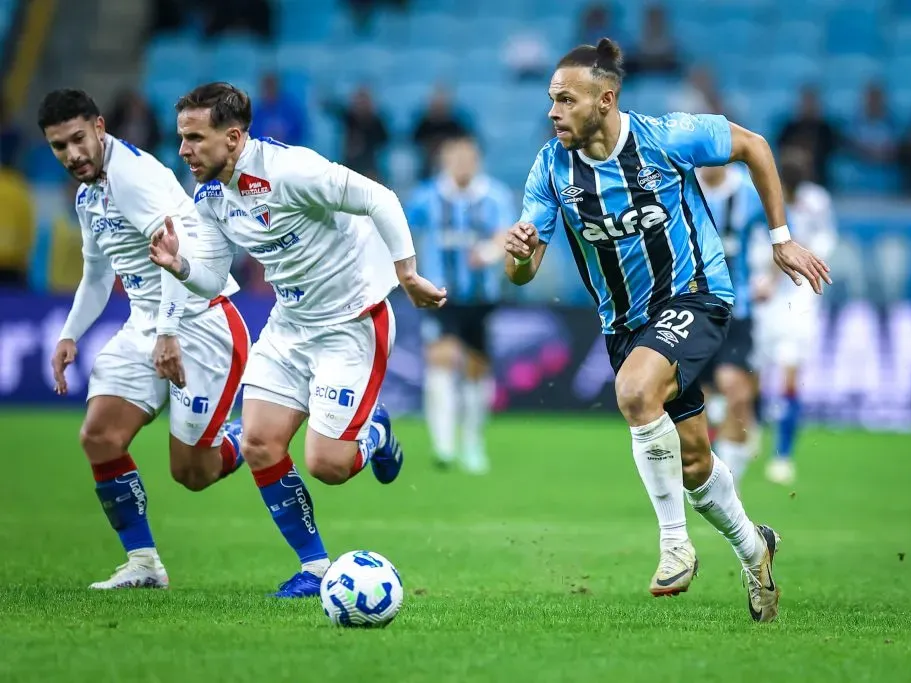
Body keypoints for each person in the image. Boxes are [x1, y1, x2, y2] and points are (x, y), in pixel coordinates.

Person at [503, 39, 831, 622]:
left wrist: (781, 240)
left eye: (565, 100)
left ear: (605, 100)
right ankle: (756, 550)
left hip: (695, 296)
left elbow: (753, 146)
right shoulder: (551, 168)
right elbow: (521, 274)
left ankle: (675, 544)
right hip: (625, 323)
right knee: (696, 462)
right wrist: (522, 254)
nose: (553, 112)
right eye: (550, 100)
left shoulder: (667, 136)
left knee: (634, 392)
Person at [147, 82, 446, 597]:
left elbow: (379, 197)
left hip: (351, 323)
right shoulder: (213, 195)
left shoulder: (292, 171)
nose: (183, 150)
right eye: (181, 138)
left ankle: (373, 432)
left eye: (195, 138)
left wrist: (408, 271)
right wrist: (182, 266)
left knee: (328, 465)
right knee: (261, 444)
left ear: (234, 138)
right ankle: (313, 568)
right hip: (290, 326)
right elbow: (216, 273)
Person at [37, 88, 250, 590]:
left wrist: (169, 332)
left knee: (193, 474)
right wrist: (70, 335)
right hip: (146, 323)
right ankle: (144, 563)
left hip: (199, 320)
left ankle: (250, 434)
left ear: (100, 127)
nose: (72, 154)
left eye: (78, 139)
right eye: (58, 146)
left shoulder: (131, 177)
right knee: (99, 436)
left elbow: (173, 256)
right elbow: (95, 273)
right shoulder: (90, 192)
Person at [407, 135, 515, 474]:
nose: (462, 165)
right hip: (441, 295)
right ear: (445, 162)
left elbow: (506, 234)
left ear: (477, 162)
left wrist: (489, 253)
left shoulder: (494, 196)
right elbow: (405, 230)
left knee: (475, 369)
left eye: (468, 159)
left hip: (481, 297)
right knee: (441, 359)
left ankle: (472, 443)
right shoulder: (427, 196)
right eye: (455, 159)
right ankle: (443, 445)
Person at [752, 150, 837, 487]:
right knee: (754, 372)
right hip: (763, 295)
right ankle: (752, 435)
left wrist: (789, 260)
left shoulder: (817, 201)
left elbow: (825, 244)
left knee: (789, 373)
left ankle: (782, 456)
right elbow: (757, 246)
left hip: (799, 297)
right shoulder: (761, 194)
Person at [695, 163, 766, 485]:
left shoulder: (748, 192)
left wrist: (770, 278)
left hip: (737, 309)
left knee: (736, 390)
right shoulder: (680, 185)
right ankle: (723, 451)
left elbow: (782, 232)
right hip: (691, 308)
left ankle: (727, 486)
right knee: (698, 400)